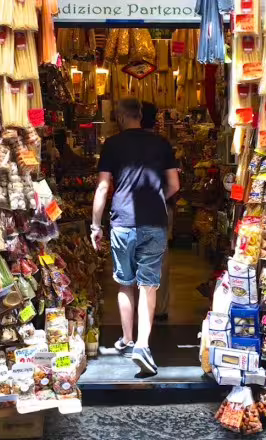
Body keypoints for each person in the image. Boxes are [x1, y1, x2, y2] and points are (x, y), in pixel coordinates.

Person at [90, 98, 180, 374]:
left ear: (119, 117)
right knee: (148, 285)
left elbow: (103, 187)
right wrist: (157, 200)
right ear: (141, 115)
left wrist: (96, 225)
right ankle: (142, 344)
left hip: (122, 222)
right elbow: (174, 185)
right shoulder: (161, 144)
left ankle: (128, 338)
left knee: (125, 283)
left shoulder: (112, 145)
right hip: (154, 222)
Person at [140, 101, 174, 322]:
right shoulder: (163, 144)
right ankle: (158, 309)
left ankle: (139, 310)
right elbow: (174, 184)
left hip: (131, 210)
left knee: (134, 259)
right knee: (160, 259)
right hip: (162, 207)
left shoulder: (128, 144)